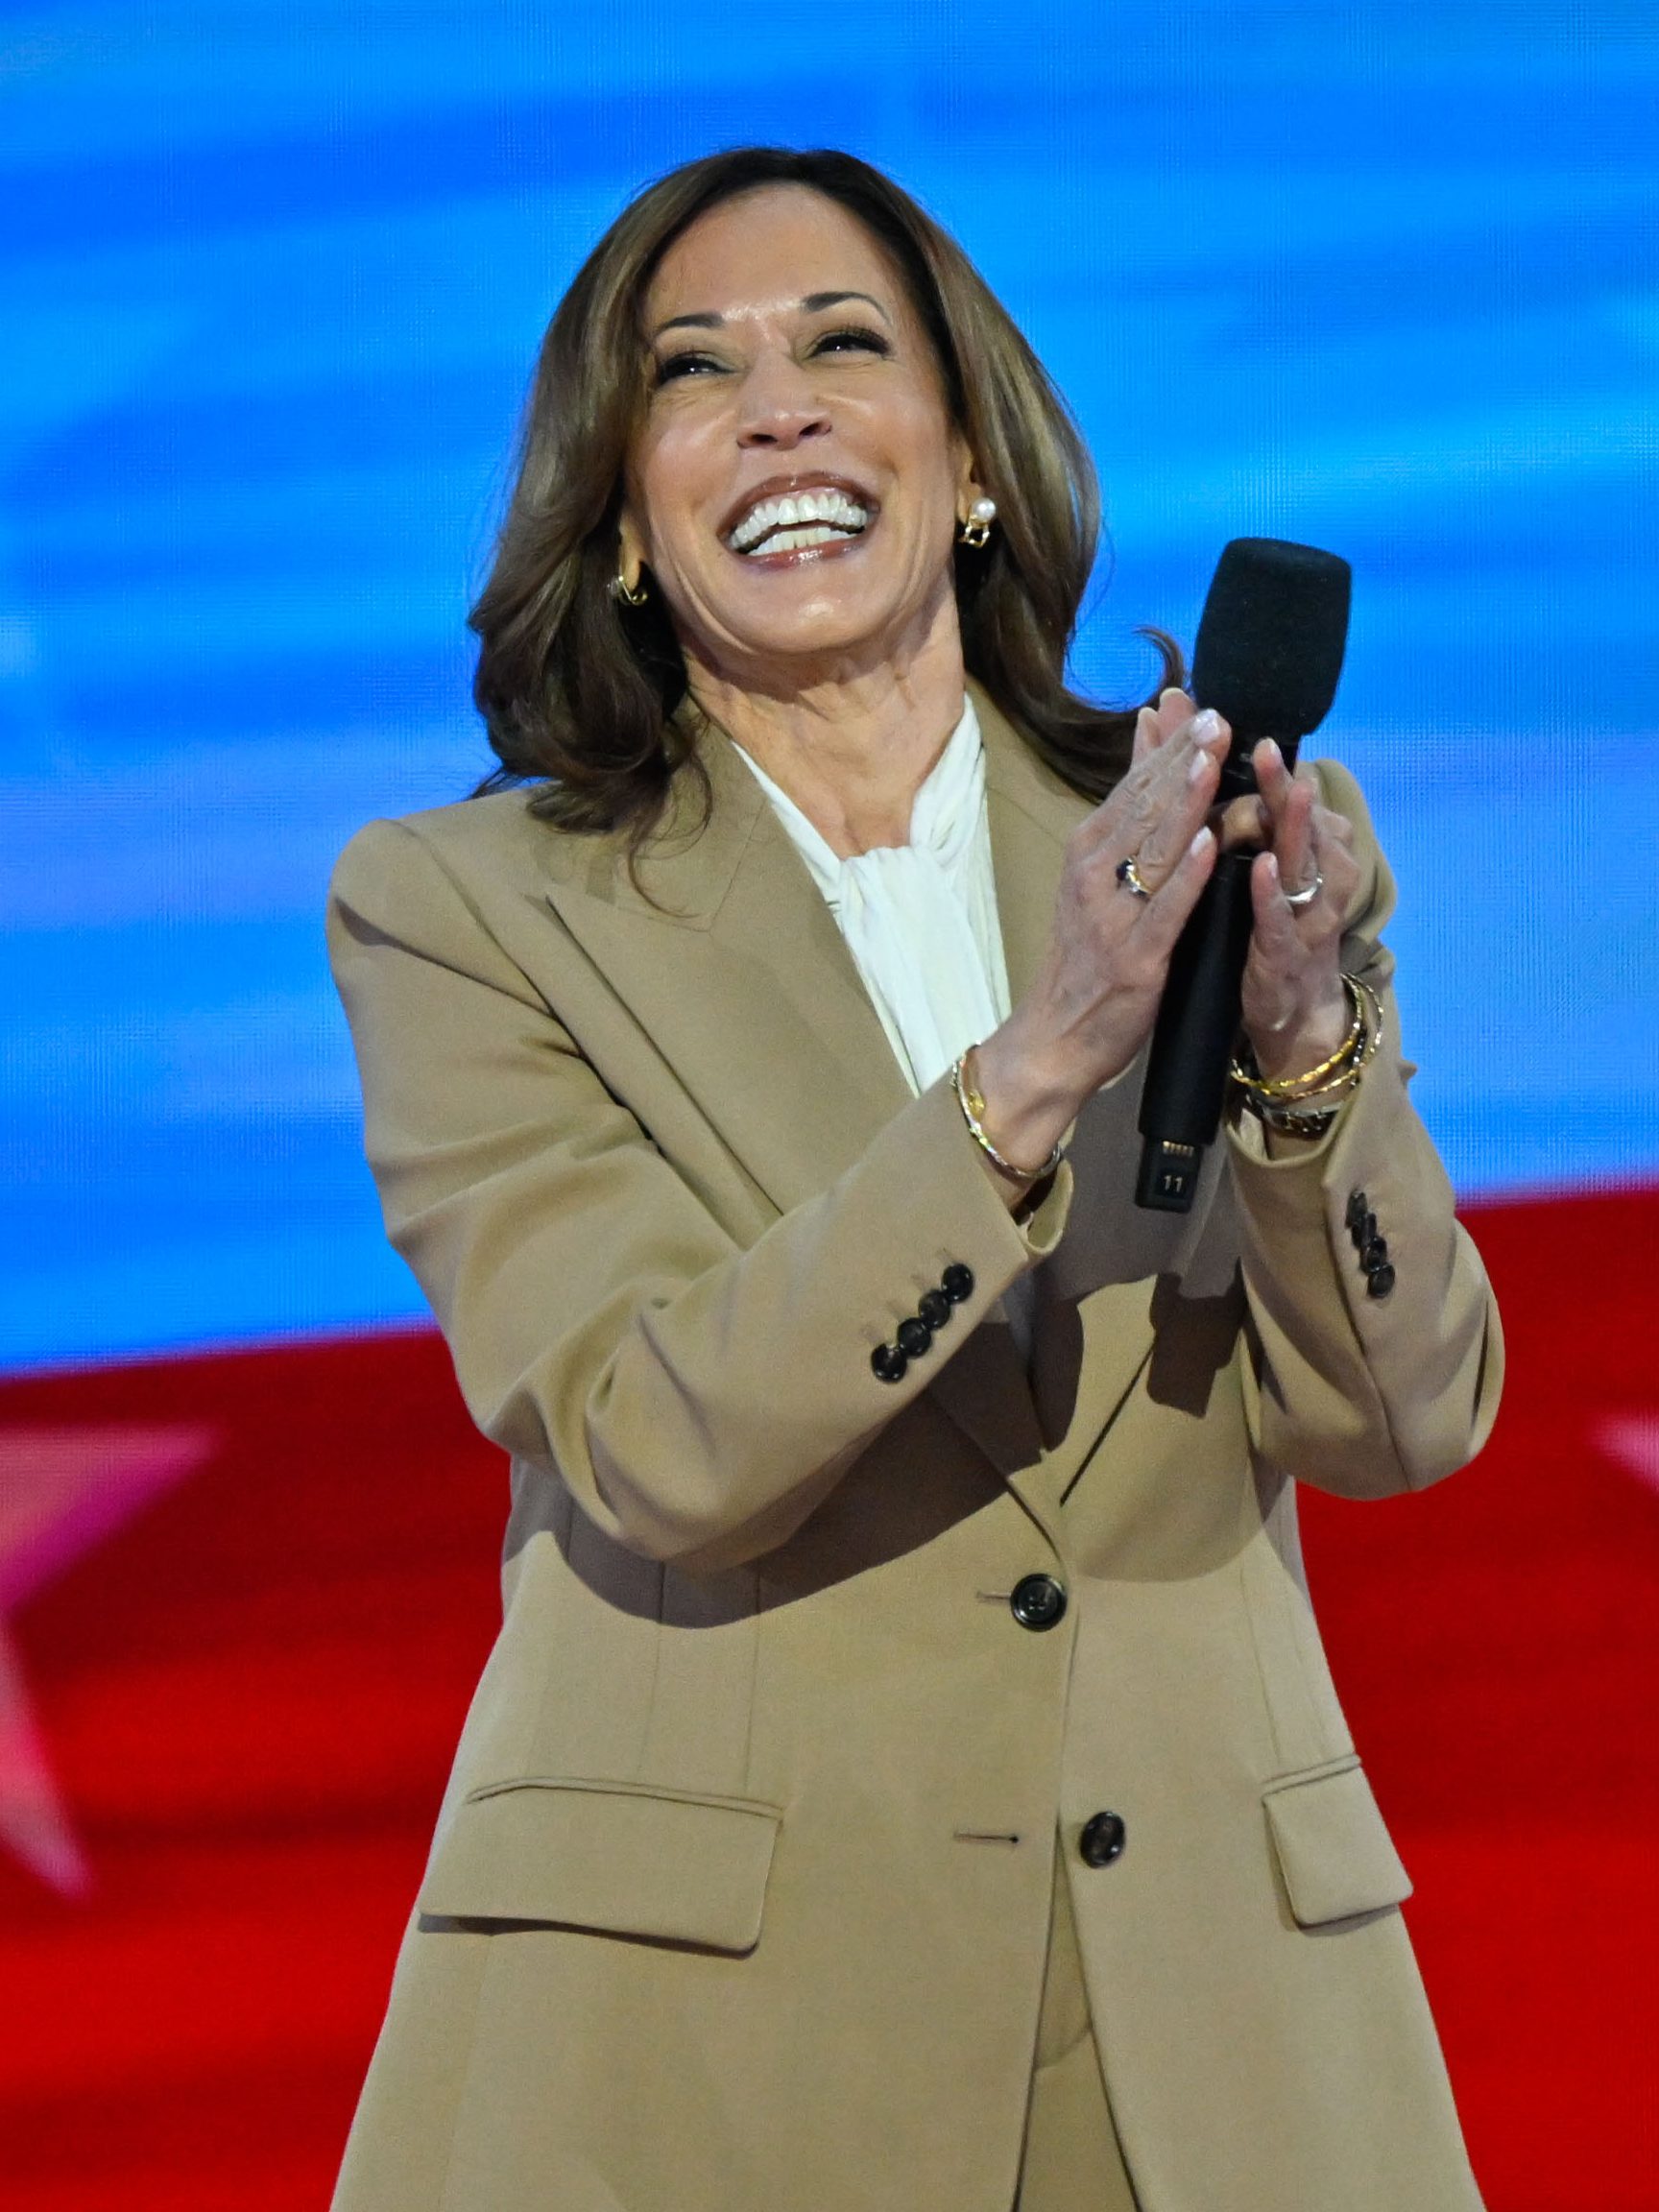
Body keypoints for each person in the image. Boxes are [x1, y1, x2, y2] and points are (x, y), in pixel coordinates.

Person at [325, 146, 1502, 2212]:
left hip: (1214, 2036)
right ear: (620, 515)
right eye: (695, 373)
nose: (777, 405)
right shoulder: (466, 909)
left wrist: (1310, 1055)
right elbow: (654, 1437)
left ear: (966, 459)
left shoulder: (1236, 836)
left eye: (842, 345)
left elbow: (1404, 1418)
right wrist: (1044, 1061)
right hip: (707, 2052)